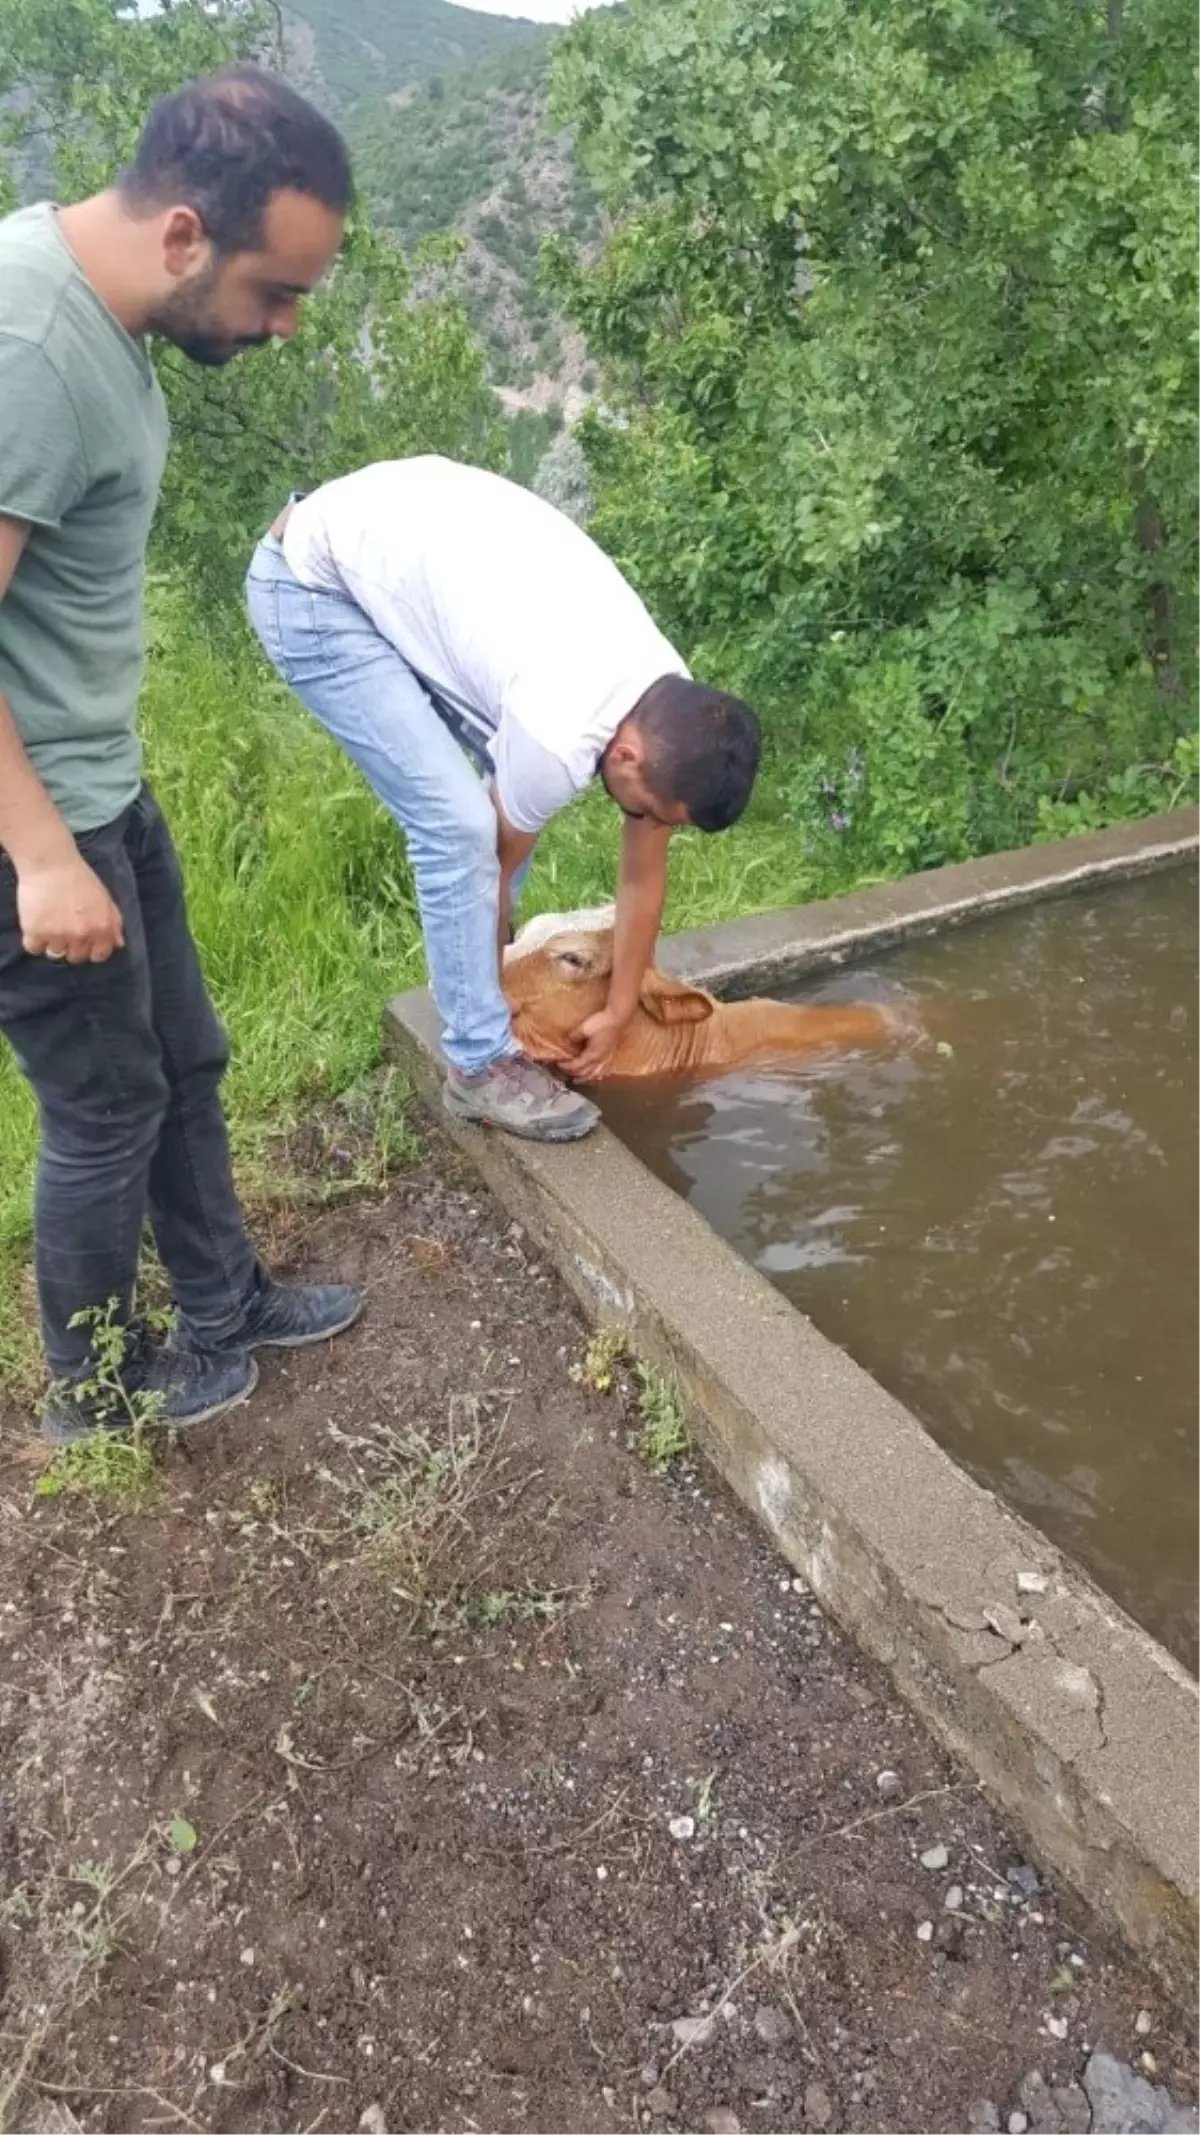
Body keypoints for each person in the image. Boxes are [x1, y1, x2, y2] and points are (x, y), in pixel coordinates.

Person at [0, 67, 365, 1446]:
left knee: (184, 1062)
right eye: (276, 294)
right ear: (184, 237)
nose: (277, 327)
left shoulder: (108, 312)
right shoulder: (29, 340)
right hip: (30, 824)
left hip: (96, 780)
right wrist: (40, 854)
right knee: (103, 1112)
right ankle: (91, 1399)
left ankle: (226, 1302)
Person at [246, 456, 762, 1142]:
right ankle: (479, 1065)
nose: (645, 823)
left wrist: (615, 1007)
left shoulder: (669, 709)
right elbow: (489, 858)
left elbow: (643, 876)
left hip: (387, 546)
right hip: (310, 588)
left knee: (491, 830)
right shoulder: (563, 730)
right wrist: (494, 988)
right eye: (648, 811)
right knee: (460, 830)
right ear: (625, 755)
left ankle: (471, 990)